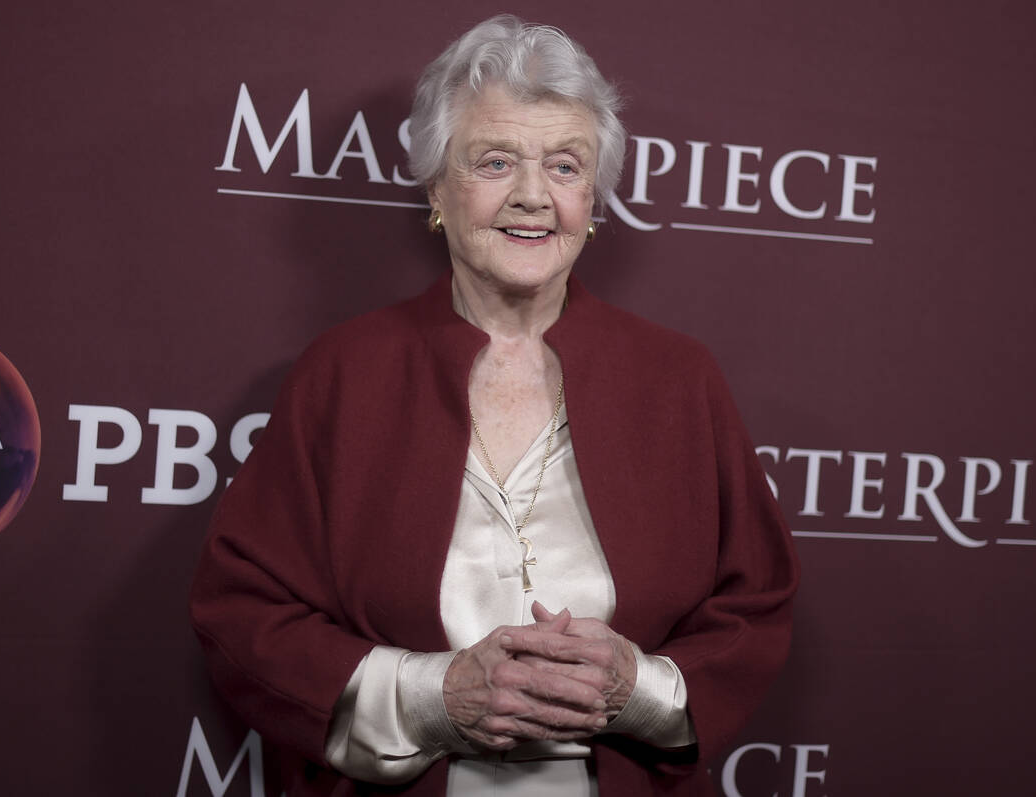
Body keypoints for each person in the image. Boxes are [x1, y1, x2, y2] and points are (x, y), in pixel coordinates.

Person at [190, 15, 798, 796]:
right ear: (438, 187)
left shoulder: (681, 378)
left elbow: (756, 603)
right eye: (497, 161)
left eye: (566, 166)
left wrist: (640, 687)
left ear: (594, 200)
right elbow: (243, 611)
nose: (534, 197)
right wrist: (431, 696)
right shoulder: (343, 373)